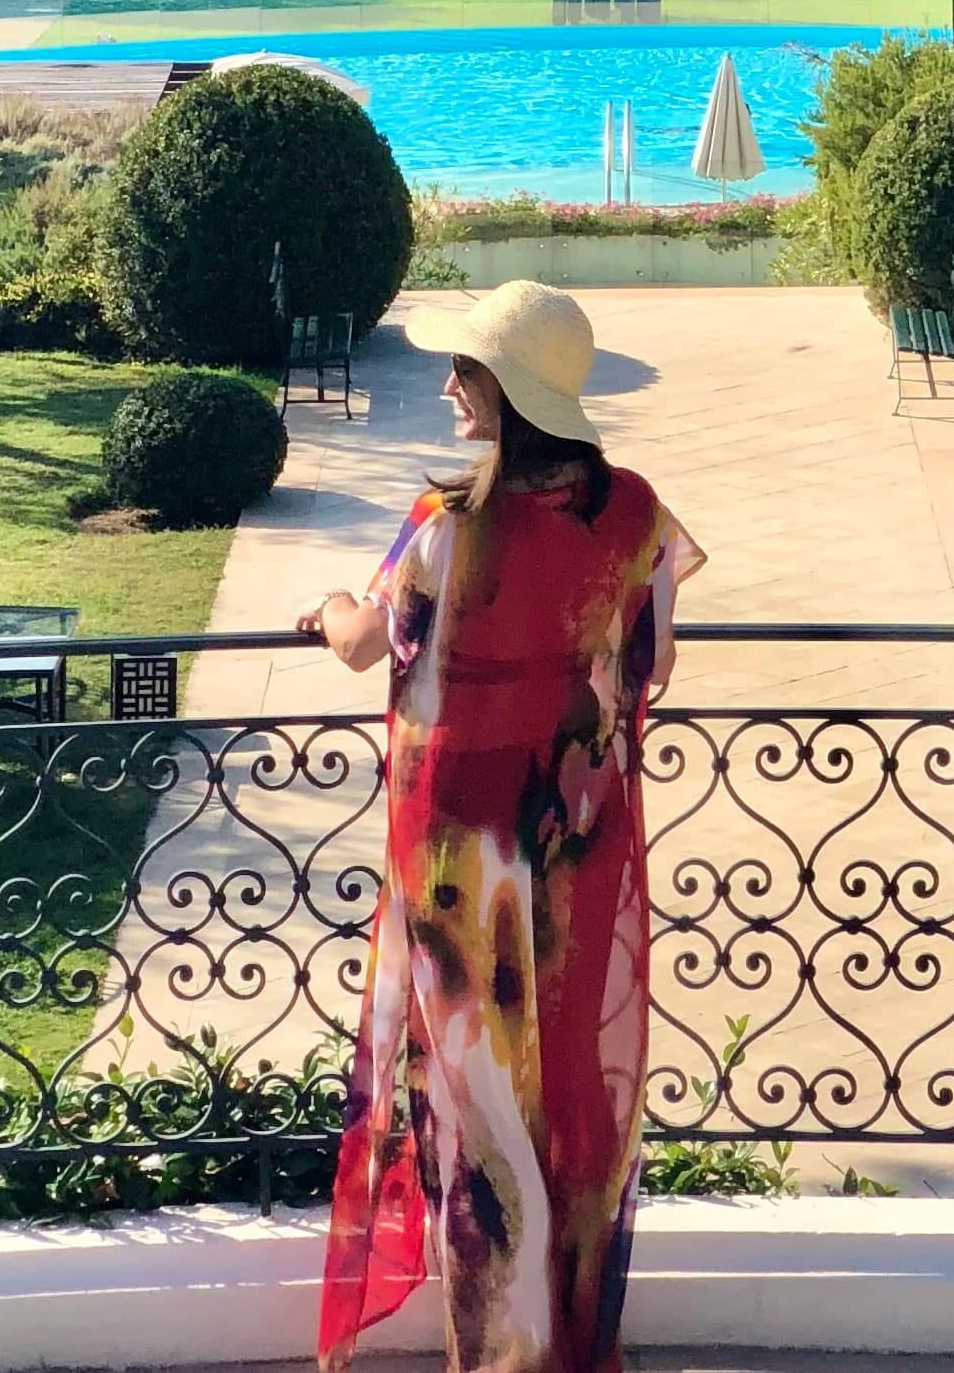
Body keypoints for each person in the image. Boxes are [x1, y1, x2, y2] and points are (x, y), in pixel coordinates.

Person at [304, 280, 703, 1373]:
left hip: (459, 851)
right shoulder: (635, 511)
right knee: (570, 1082)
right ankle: (570, 1336)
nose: (446, 387)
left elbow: (363, 642)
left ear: (508, 394)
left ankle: (506, 1354)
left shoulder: (447, 523)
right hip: (579, 832)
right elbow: (655, 660)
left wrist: (328, 607)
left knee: (477, 1101)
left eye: (464, 372)